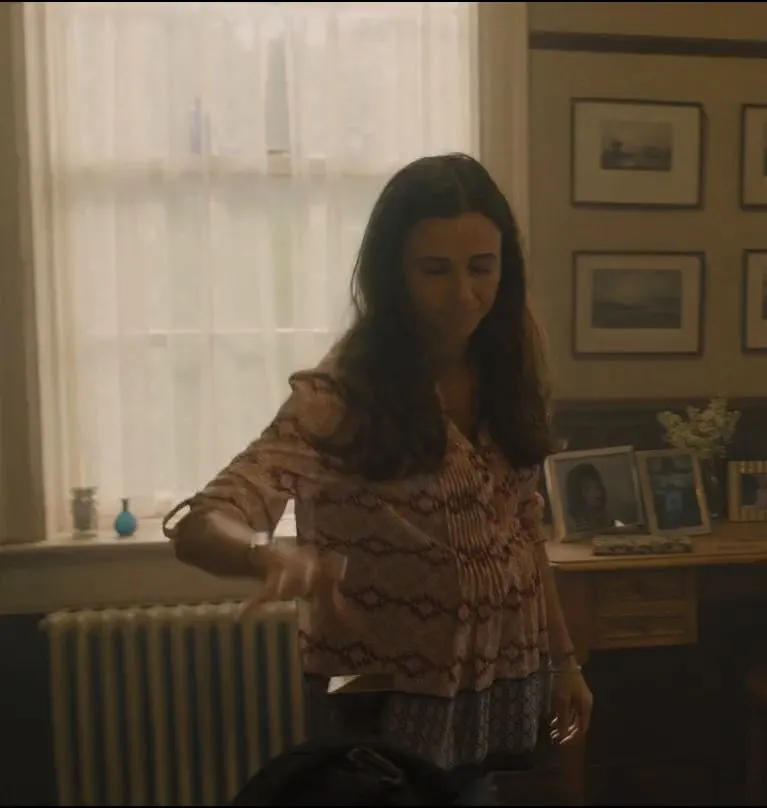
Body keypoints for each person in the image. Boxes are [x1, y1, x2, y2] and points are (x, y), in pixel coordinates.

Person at [163, 153, 593, 805]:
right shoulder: (340, 397)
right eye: (435, 270)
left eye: (482, 267)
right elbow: (205, 521)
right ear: (393, 273)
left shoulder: (508, 372)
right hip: (381, 711)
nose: (464, 294)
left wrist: (564, 661)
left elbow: (524, 529)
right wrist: (263, 553)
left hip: (495, 689)